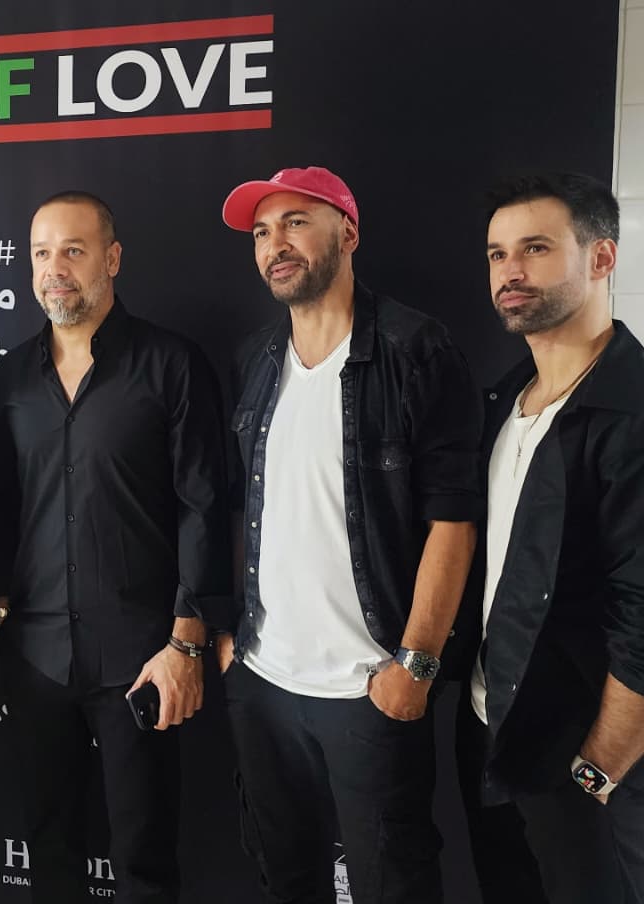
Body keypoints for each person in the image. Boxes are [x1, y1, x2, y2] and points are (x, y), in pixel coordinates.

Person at [220, 166, 482, 902]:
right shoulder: (254, 360)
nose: (275, 244)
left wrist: (416, 666)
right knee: (286, 880)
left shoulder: (414, 350)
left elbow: (454, 521)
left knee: (392, 884)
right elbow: (243, 509)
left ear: (349, 233)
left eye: (296, 223)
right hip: (264, 683)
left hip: (368, 688)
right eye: (262, 232)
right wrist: (231, 640)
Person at [0, 190, 229, 903]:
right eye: (41, 253)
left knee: (144, 859)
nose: (54, 269)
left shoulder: (172, 364)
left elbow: (204, 508)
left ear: (112, 259)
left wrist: (185, 642)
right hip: (35, 656)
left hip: (143, 657)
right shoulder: (10, 378)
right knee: (48, 848)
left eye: (73, 250)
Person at [456, 171, 644, 903]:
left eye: (535, 248)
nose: (510, 271)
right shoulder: (504, 400)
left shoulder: (631, 413)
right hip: (496, 730)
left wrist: (600, 769)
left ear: (602, 257)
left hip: (587, 761)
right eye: (497, 254)